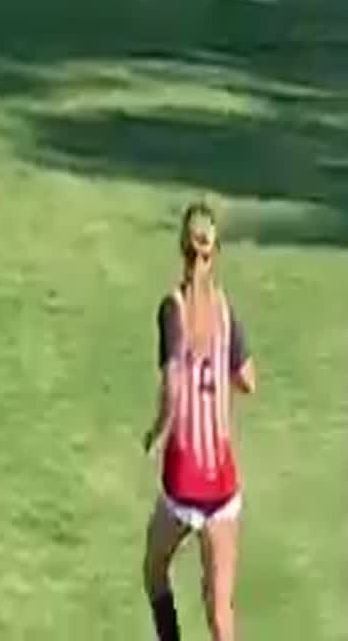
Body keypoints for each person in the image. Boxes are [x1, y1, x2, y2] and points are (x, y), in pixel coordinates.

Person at [142, 203, 256, 641]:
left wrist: (155, 431)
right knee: (221, 614)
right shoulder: (226, 311)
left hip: (184, 477)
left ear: (181, 248)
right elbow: (248, 380)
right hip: (223, 482)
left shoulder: (173, 308)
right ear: (216, 252)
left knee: (154, 569)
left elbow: (172, 384)